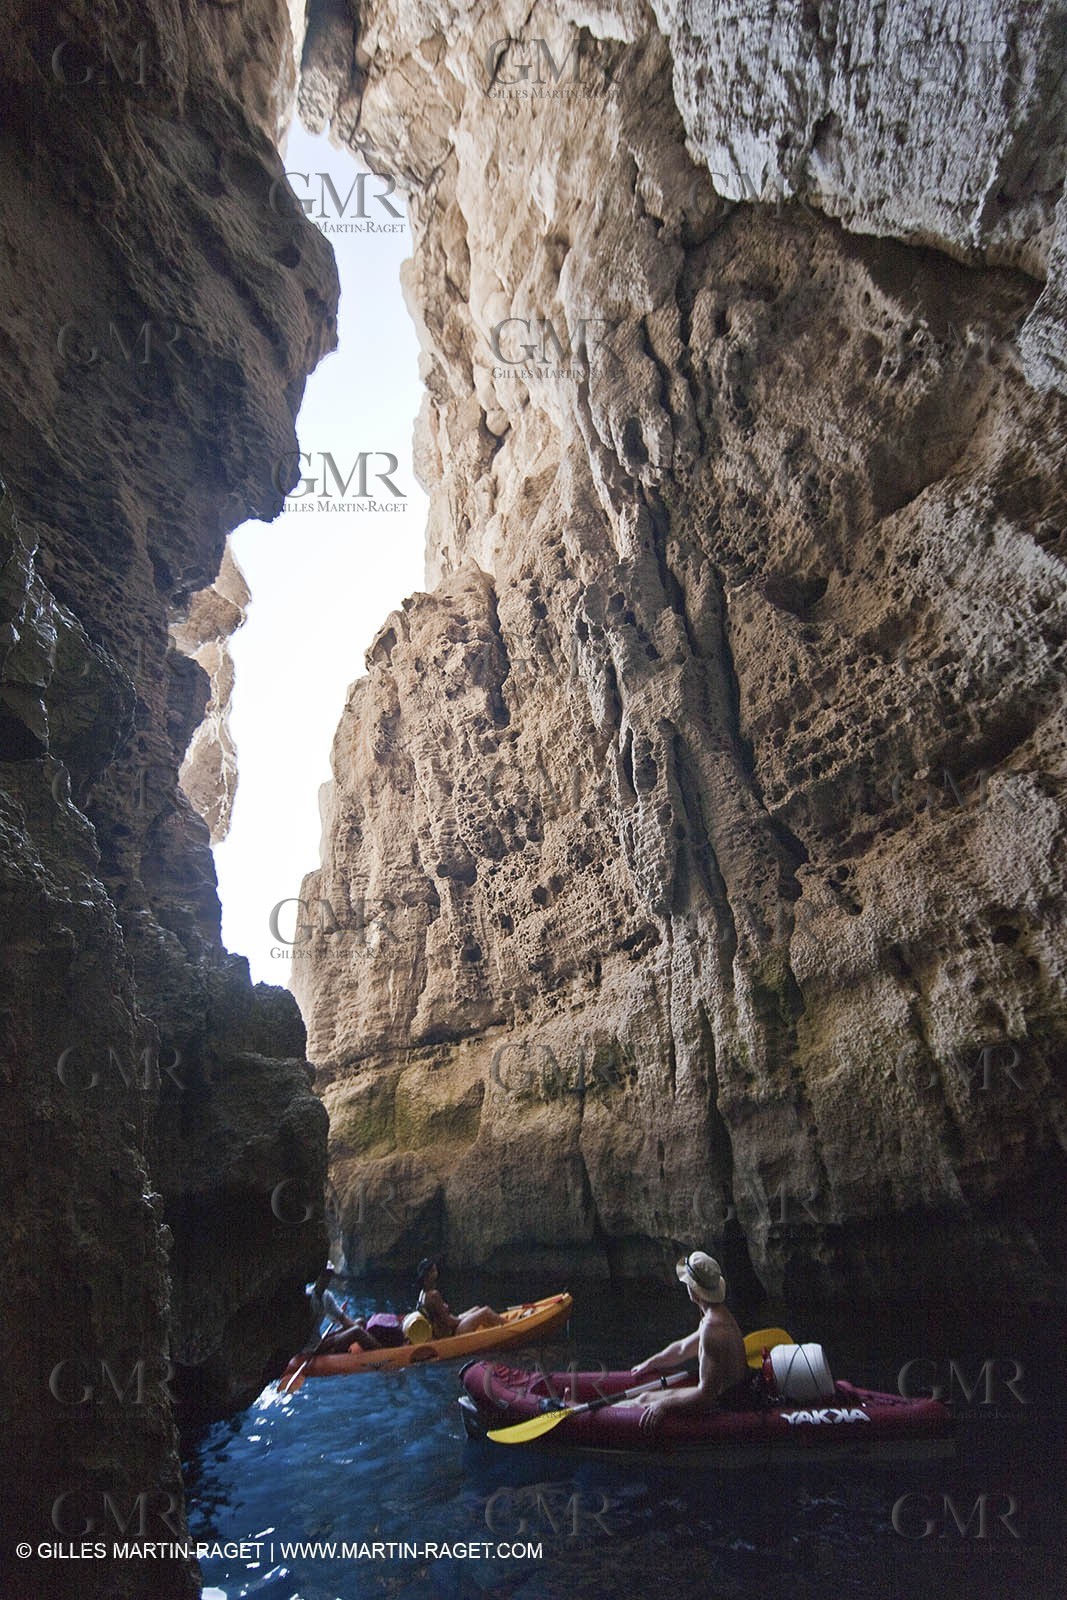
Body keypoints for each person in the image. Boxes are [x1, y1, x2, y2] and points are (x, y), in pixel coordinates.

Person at [630, 1251, 749, 1432]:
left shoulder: (713, 1329)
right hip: (723, 1394)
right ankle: (588, 1409)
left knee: (644, 1400)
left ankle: (588, 1416)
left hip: (724, 1404)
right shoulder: (717, 1314)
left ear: (694, 1290)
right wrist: (651, 1363)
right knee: (645, 1397)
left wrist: (664, 1405)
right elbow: (682, 1349)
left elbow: (706, 1397)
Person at [414, 1257, 505, 1339]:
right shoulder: (433, 1295)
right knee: (485, 1311)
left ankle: (494, 1331)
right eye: (434, 1270)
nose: (436, 1273)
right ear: (428, 1275)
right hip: (451, 1333)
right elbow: (449, 1322)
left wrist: (465, 1317)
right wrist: (464, 1319)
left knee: (477, 1308)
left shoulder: (422, 1293)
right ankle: (510, 1325)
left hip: (445, 1329)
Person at [304, 1265, 380, 1354]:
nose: (326, 1279)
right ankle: (382, 1353)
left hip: (319, 1341)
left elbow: (343, 1319)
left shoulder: (326, 1296)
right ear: (317, 1277)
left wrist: (364, 1332)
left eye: (329, 1275)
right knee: (356, 1331)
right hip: (311, 1348)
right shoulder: (307, 1298)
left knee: (360, 1322)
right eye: (323, 1275)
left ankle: (374, 1345)